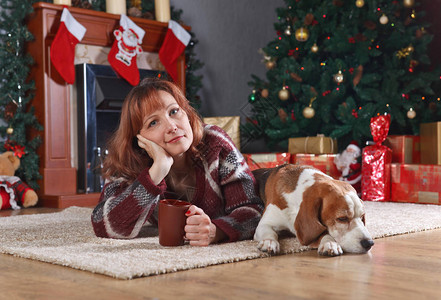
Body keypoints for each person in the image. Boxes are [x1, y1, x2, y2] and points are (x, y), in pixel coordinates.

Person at [91, 78, 264, 246]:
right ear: (139, 140)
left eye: (174, 111)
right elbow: (102, 224)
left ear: (186, 113)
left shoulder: (215, 142)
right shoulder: (128, 159)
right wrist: (156, 173)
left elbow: (253, 211)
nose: (172, 126)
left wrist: (216, 231)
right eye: (153, 123)